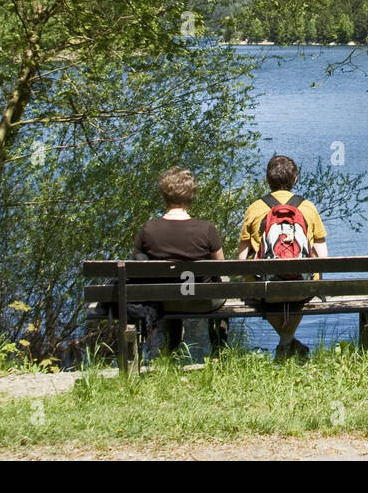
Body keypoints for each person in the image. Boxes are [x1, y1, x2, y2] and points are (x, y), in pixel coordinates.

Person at [239, 154, 327, 359]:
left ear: (267, 180)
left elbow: (243, 254)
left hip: (266, 289)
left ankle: (286, 341)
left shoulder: (255, 208)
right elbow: (321, 250)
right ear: (295, 179)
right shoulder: (307, 207)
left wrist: (244, 277)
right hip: (302, 288)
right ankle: (287, 341)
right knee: (311, 277)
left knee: (253, 277)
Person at [133, 166, 228, 355]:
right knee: (223, 282)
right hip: (202, 302)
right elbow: (221, 268)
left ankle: (170, 349)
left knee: (170, 286)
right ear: (191, 196)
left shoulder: (148, 230)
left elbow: (136, 265)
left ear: (164, 195)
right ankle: (219, 350)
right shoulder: (207, 229)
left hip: (164, 301)